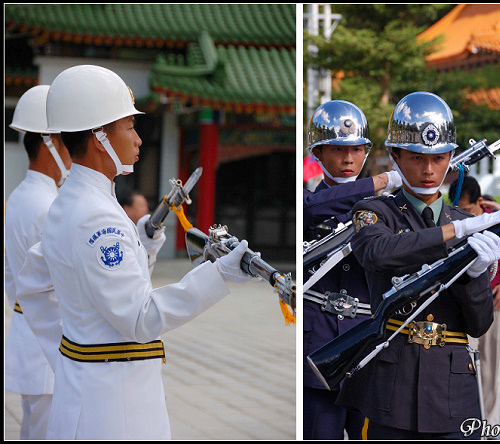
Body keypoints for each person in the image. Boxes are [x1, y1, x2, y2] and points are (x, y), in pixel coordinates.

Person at [15, 64, 254, 440]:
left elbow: (36, 286)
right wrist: (219, 274)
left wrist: (66, 354)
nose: (138, 139)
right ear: (99, 137)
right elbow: (141, 317)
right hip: (113, 409)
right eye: (129, 126)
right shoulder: (96, 216)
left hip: (91, 392)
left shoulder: (73, 201)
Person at [335, 91, 500, 439]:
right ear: (396, 156)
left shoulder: (466, 221)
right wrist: (454, 233)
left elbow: (478, 325)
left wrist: (476, 276)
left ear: (450, 157)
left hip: (453, 389)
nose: (429, 169)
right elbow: (377, 253)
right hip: (392, 383)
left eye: (439, 157)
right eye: (417, 157)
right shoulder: (374, 212)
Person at [303, 100, 402, 440]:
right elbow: (312, 209)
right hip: (317, 343)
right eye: (337, 149)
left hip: (367, 345)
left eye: (357, 149)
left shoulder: (388, 210)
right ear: (317, 152)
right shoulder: (308, 200)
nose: (348, 159)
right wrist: (379, 181)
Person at [4, 85, 72, 440]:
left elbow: (8, 274)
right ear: (50, 144)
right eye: (67, 140)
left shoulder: (18, 196)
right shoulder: (48, 206)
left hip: (27, 334)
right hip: (48, 340)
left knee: (34, 429)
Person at [448, 175, 500, 428]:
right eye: (457, 209)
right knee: (460, 364)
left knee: (490, 366)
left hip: (494, 302)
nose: (461, 215)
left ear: (479, 201)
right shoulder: (449, 223)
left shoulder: (499, 223)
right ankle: (463, 422)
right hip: (462, 306)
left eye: (466, 210)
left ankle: (490, 425)